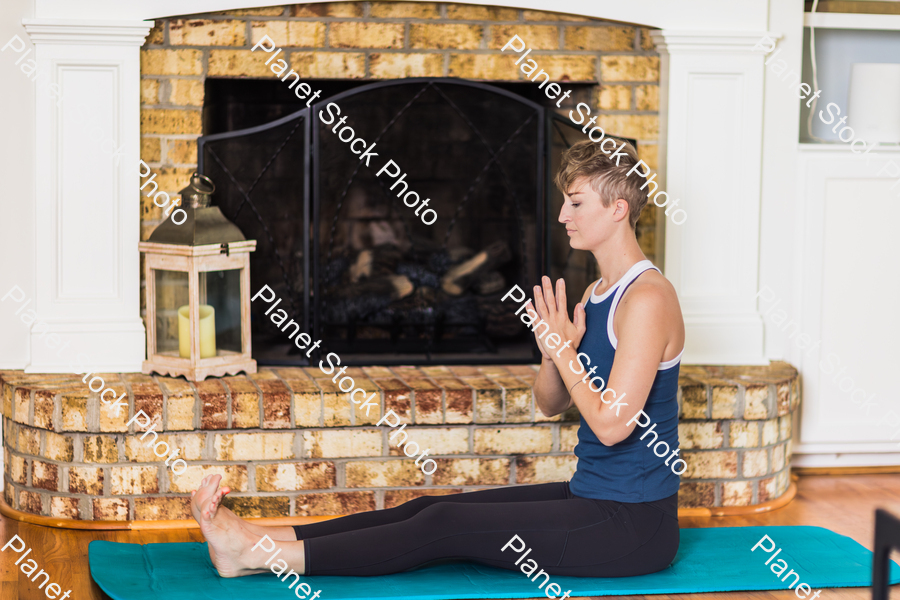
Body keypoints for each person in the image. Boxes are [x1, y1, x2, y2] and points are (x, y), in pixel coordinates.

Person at [191, 138, 685, 579]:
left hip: (633, 525)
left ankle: (258, 557)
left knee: (446, 526)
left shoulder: (647, 298)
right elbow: (550, 404)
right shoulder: (599, 291)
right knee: (430, 507)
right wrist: (553, 355)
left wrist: (563, 350)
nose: (562, 215)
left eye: (575, 203)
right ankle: (266, 538)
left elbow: (613, 427)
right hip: (591, 497)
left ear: (618, 209)